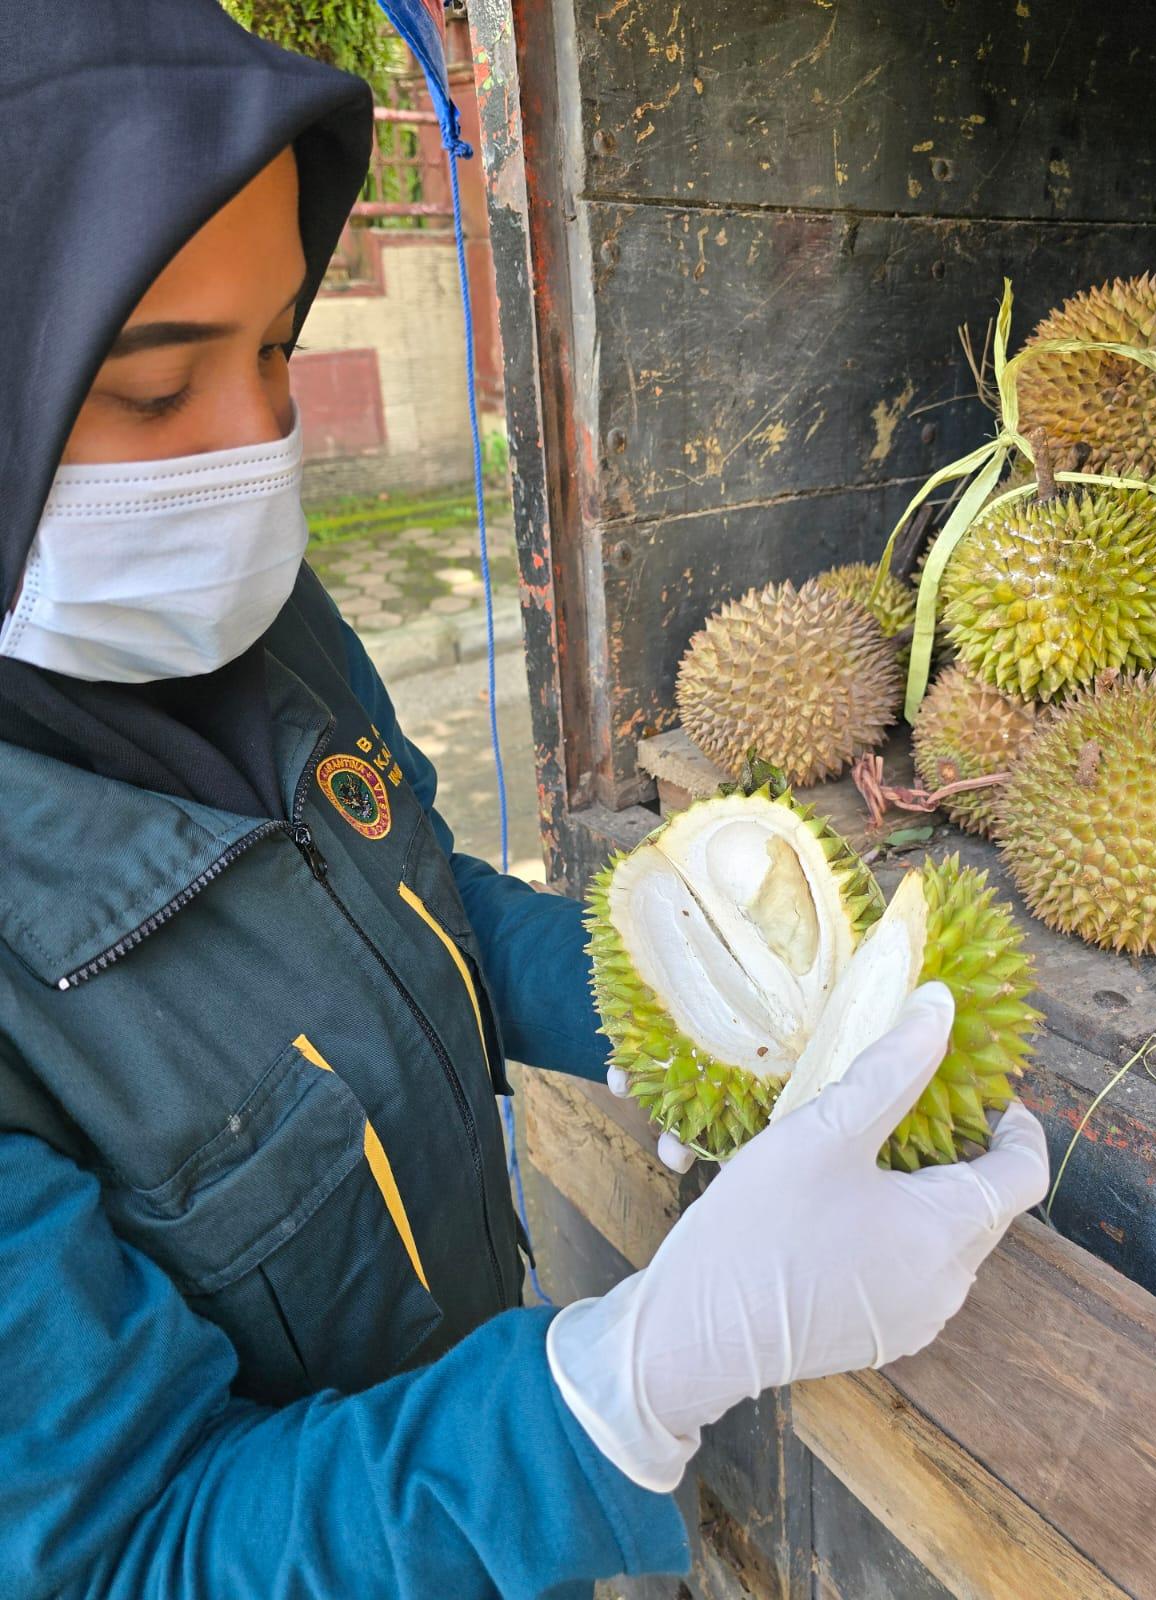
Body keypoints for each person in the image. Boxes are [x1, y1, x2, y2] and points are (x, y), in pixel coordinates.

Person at [0, 4, 1050, 1597]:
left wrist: (698, 1023)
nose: (254, 446)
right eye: (149, 392)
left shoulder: (249, 627)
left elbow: (405, 898)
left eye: (278, 346)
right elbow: (125, 1558)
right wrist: (635, 1379)